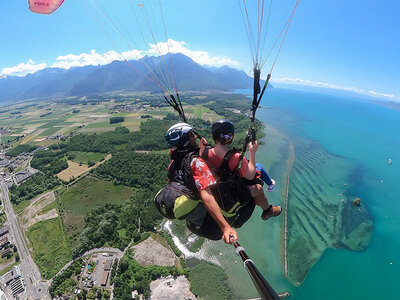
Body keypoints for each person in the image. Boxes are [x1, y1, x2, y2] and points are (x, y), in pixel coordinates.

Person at [164, 122, 238, 244]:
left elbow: (185, 180)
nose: (195, 136)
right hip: (210, 225)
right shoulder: (195, 162)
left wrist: (201, 150)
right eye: (191, 134)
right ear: (185, 139)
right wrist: (225, 227)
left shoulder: (172, 164)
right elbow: (206, 195)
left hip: (192, 222)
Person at [200, 119, 281, 221]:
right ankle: (268, 211)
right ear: (231, 137)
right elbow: (251, 175)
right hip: (230, 192)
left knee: (257, 167)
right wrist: (252, 152)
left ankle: (270, 185)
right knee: (258, 188)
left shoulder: (204, 152)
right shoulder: (235, 157)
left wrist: (202, 146)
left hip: (216, 187)